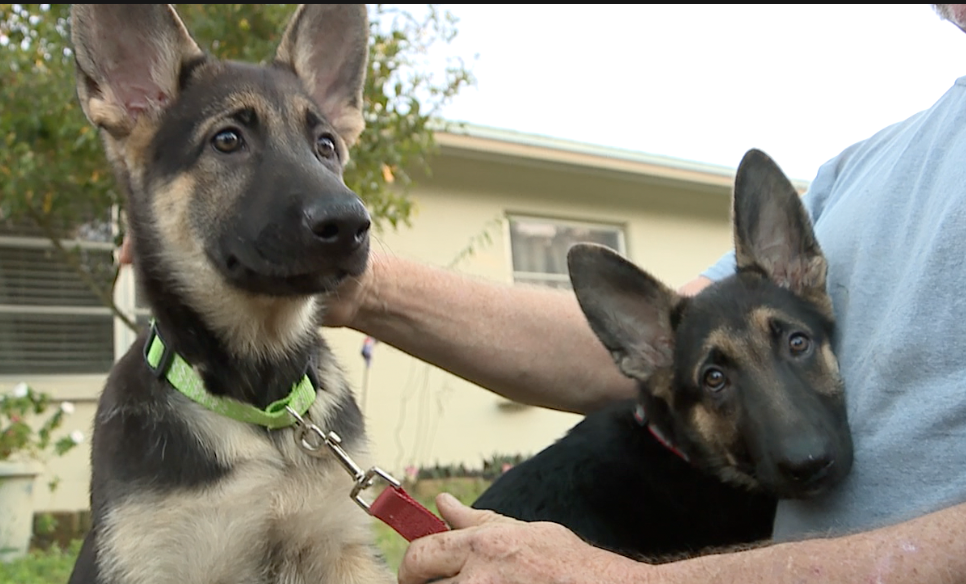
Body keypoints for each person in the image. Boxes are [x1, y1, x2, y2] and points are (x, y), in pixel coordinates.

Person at [318, 5, 966, 583]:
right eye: (716, 379)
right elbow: (667, 339)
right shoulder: (858, 172)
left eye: (795, 342)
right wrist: (361, 285)